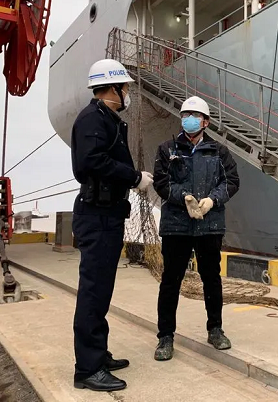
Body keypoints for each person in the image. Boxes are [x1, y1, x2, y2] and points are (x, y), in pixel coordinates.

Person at [71, 59, 154, 392]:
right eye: (125, 87)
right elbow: (91, 161)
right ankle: (88, 369)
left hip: (106, 214)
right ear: (113, 88)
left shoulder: (105, 118)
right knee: (93, 291)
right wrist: (133, 177)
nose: (128, 93)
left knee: (101, 290)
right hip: (97, 215)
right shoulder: (92, 118)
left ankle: (98, 355)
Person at [152, 96, 239, 361]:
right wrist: (184, 198)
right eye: (185, 115)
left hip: (209, 225)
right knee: (171, 280)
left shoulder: (218, 151)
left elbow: (231, 181)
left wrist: (213, 200)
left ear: (206, 122)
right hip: (176, 226)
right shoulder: (167, 149)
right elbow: (161, 182)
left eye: (195, 116)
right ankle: (165, 336)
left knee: (211, 278)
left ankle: (215, 329)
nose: (189, 120)